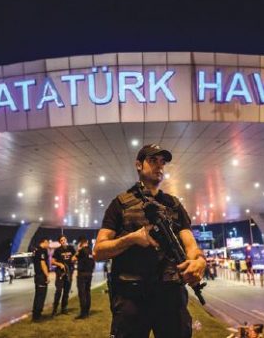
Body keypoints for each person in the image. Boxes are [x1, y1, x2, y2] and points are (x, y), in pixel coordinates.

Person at [94, 143, 206, 338]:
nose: (159, 166)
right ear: (139, 165)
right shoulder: (120, 204)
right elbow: (99, 251)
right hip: (132, 297)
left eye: (162, 162)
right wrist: (132, 238)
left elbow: (191, 246)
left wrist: (199, 262)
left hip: (170, 295)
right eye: (153, 160)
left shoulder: (173, 205)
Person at [51, 235, 76, 316]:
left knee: (66, 292)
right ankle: (54, 309)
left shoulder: (71, 248)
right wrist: (60, 264)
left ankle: (64, 308)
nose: (63, 241)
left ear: (66, 240)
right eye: (61, 240)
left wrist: (74, 258)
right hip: (60, 273)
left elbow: (76, 255)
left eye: (64, 239)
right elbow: (52, 261)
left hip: (69, 273)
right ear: (60, 242)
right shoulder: (57, 250)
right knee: (58, 291)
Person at [73, 237, 95, 319]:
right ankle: (87, 311)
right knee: (87, 292)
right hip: (89, 274)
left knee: (82, 293)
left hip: (82, 274)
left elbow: (73, 259)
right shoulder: (91, 251)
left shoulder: (81, 251)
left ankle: (83, 313)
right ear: (87, 242)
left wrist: (78, 249)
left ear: (81, 243)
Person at [32, 237, 50, 321]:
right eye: (48, 243)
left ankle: (36, 314)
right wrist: (47, 275)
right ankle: (37, 316)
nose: (48, 245)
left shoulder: (36, 250)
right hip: (41, 276)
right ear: (44, 242)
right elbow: (43, 264)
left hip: (37, 276)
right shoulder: (42, 251)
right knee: (41, 296)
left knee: (38, 295)